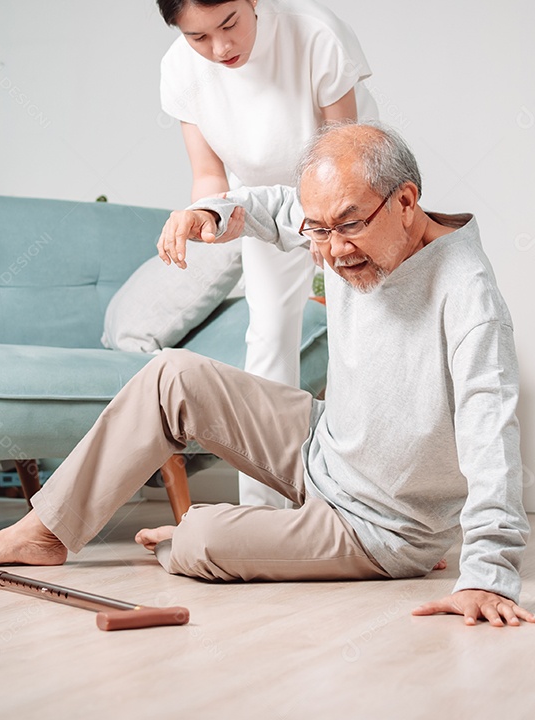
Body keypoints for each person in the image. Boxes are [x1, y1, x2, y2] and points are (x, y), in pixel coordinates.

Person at [0, 123, 535, 626]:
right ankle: (47, 530)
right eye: (319, 230)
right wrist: (212, 210)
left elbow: (493, 441)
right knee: (171, 374)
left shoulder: (469, 296)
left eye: (347, 227)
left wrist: (487, 573)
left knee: (202, 540)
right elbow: (278, 208)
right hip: (322, 446)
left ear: (407, 201)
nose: (332, 252)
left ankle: (208, 535)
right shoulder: (336, 225)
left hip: (383, 525)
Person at [157, 0, 378, 508]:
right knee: (269, 341)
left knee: (366, 343)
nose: (220, 48)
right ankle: (263, 508)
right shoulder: (178, 68)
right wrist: (210, 215)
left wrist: (334, 226)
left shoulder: (315, 33)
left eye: (229, 24)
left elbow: (344, 150)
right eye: (198, 37)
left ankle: (384, 514)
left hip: (353, 195)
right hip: (261, 201)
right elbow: (210, 177)